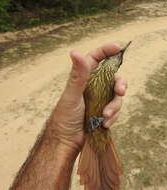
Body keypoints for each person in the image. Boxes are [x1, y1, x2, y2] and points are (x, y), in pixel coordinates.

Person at [10, 43, 128, 190]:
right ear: (106, 60)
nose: (118, 57)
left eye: (119, 58)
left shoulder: (111, 82)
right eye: (116, 56)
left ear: (117, 65)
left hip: (99, 129)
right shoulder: (91, 76)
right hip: (89, 127)